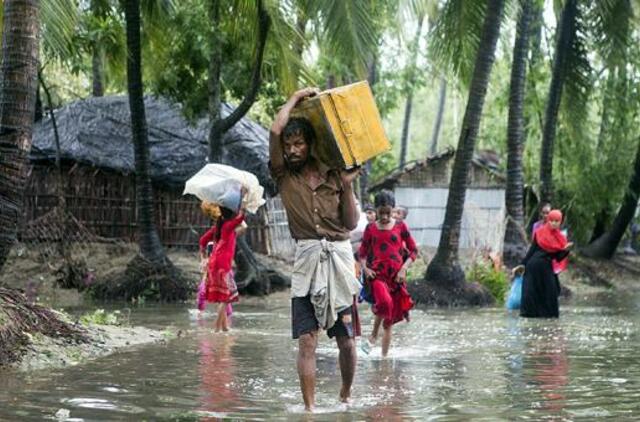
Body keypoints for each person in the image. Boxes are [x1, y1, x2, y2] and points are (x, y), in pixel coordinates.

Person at [270, 87, 362, 411]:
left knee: (346, 340)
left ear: (310, 146)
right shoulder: (283, 175)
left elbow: (350, 224)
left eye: (299, 144)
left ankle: (345, 396)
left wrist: (348, 186)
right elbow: (275, 129)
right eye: (288, 146)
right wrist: (294, 98)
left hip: (338, 258)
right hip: (307, 262)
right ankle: (309, 410)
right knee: (306, 340)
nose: (292, 150)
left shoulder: (335, 175)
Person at [359, 190, 417, 357]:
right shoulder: (370, 229)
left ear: (393, 210)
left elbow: (413, 250)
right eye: (381, 212)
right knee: (385, 303)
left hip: (396, 278)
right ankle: (373, 335)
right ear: (376, 210)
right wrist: (366, 269)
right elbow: (362, 253)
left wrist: (404, 268)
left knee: (389, 320)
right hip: (377, 276)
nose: (384, 217)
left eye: (388, 212)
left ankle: (384, 360)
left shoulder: (401, 226)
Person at [515, 209, 572, 318]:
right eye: (551, 220)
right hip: (533, 267)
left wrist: (565, 250)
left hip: (546, 267)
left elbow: (558, 258)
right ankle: (530, 316)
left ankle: (549, 317)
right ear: (548, 220)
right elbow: (532, 250)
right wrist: (522, 264)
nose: (554, 223)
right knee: (531, 292)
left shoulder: (560, 238)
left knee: (551, 292)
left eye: (557, 221)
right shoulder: (540, 232)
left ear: (560, 222)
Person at [203, 194, 246, 332]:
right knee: (225, 297)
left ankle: (224, 327)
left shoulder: (221, 226)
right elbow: (241, 218)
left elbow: (202, 241)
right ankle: (216, 329)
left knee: (224, 296)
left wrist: (203, 258)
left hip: (215, 264)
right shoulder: (227, 226)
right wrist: (243, 198)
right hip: (222, 265)